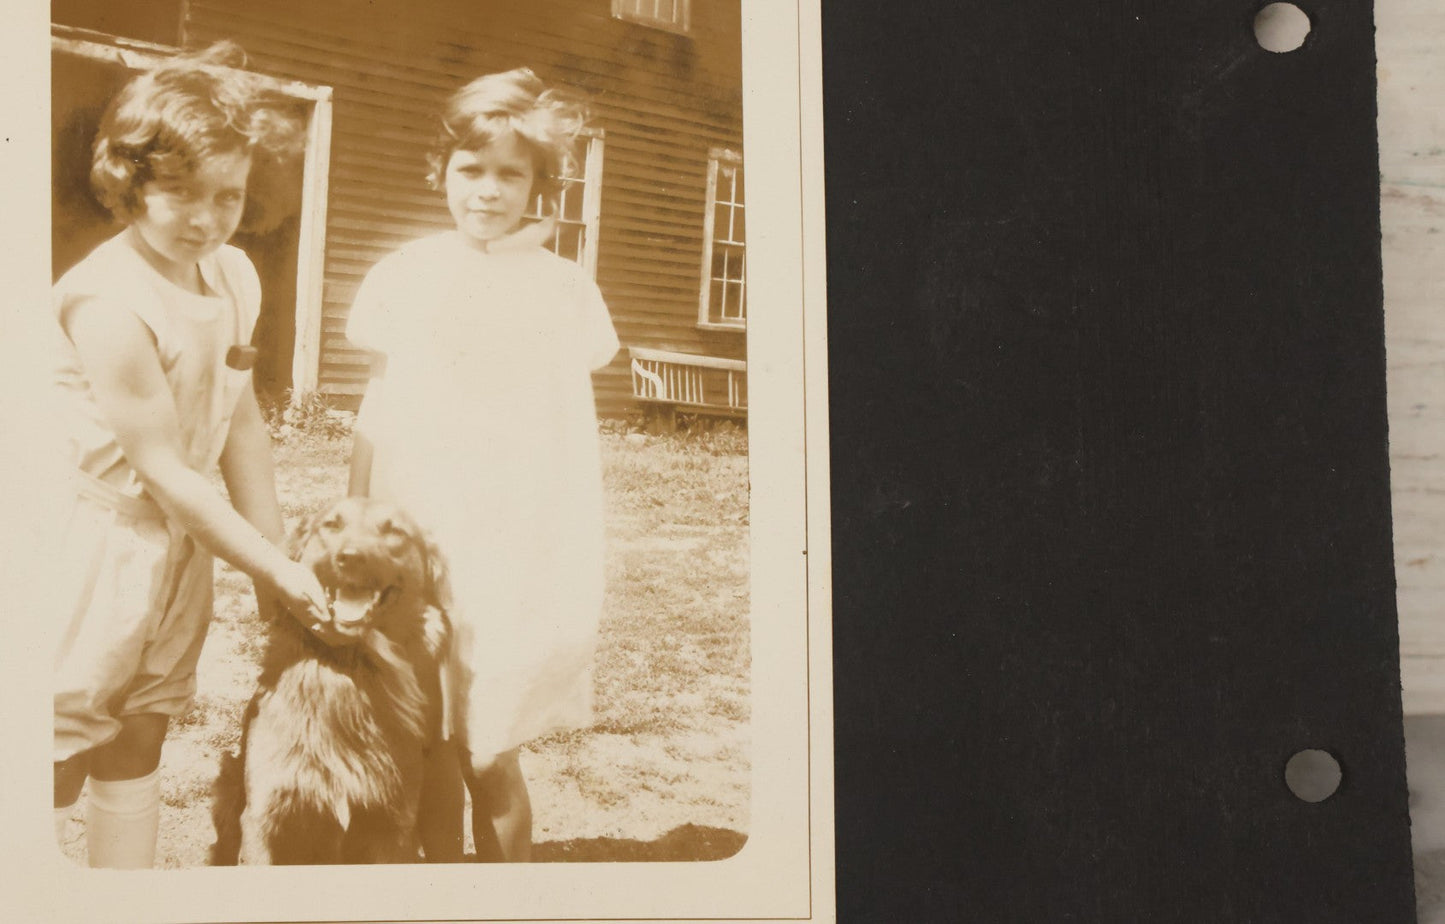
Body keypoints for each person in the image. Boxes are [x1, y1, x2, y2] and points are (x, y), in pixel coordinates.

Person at [49, 42, 335, 868]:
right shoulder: (110, 298)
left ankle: (122, 897)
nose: (206, 218)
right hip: (92, 542)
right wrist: (276, 575)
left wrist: (271, 554)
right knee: (58, 740)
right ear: (130, 180)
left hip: (182, 540)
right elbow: (167, 469)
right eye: (179, 192)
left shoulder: (234, 274)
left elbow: (238, 422)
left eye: (228, 195)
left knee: (142, 727)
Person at [346, 67, 619, 862]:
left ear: (541, 182)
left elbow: (566, 427)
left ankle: (505, 895)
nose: (489, 191)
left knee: (488, 742)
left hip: (515, 534)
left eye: (511, 173)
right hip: (420, 522)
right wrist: (359, 513)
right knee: (424, 734)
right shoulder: (405, 273)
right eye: (471, 170)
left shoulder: (563, 289)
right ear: (441, 172)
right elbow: (378, 402)